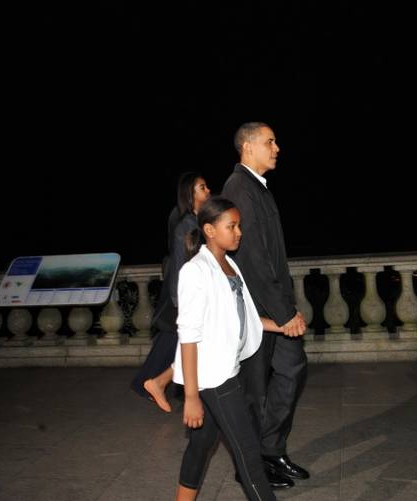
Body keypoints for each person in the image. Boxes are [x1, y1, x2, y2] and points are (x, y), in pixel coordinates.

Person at [174, 196, 281, 501]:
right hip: (214, 377)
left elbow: (241, 314)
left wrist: (279, 324)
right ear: (209, 230)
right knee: (249, 456)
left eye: (239, 226)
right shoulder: (196, 272)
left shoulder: (228, 263)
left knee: (201, 444)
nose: (239, 232)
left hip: (226, 368)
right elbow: (188, 336)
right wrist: (191, 396)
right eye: (231, 226)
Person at [222, 122, 309, 489]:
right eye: (269, 142)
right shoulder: (239, 188)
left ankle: (272, 451)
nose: (277, 148)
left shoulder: (258, 188)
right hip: (260, 312)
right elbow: (254, 260)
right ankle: (251, 468)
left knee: (291, 371)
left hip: (275, 305)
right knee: (254, 391)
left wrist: (286, 305)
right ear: (247, 147)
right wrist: (285, 314)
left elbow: (270, 256)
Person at [131, 172, 211, 412]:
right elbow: (178, 266)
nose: (208, 191)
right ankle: (157, 382)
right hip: (186, 297)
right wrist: (181, 304)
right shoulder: (184, 225)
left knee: (180, 344)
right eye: (202, 187)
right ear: (190, 194)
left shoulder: (200, 220)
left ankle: (157, 382)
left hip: (195, 294)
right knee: (187, 343)